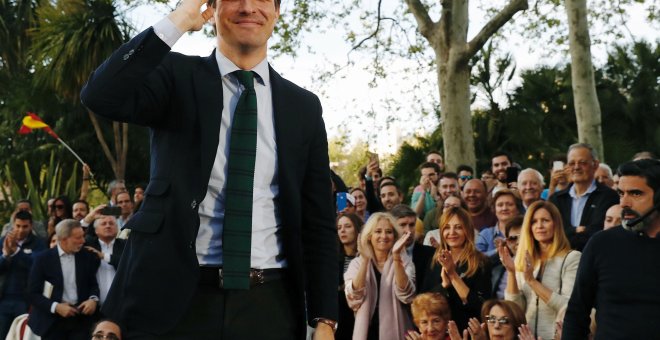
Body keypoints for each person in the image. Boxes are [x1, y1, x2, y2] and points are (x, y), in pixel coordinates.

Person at [80, 0, 338, 338]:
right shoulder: (175, 76)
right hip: (172, 302)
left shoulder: (302, 107)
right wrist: (179, 20)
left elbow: (317, 220)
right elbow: (101, 95)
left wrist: (324, 319)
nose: (248, 7)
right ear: (211, 8)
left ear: (277, 12)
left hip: (269, 305)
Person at [563, 159, 660, 339]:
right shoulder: (601, 244)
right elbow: (576, 313)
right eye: (621, 193)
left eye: (636, 193)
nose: (624, 203)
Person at [499, 201, 580, 340]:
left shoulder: (572, 258)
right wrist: (512, 273)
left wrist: (531, 281)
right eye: (534, 222)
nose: (539, 226)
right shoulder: (523, 258)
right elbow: (516, 310)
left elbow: (568, 307)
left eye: (545, 220)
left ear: (556, 224)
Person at [344, 213, 415, 340]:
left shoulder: (405, 261)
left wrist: (396, 257)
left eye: (388, 232)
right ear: (369, 236)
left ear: (394, 237)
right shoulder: (357, 263)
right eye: (378, 231)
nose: (383, 236)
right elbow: (354, 296)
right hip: (367, 332)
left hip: (398, 332)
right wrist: (365, 259)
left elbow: (406, 295)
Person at [27, 219, 100, 340]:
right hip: (52, 322)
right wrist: (56, 307)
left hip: (81, 320)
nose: (83, 241)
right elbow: (32, 293)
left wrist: (93, 299)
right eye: (78, 238)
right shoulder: (43, 259)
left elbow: (93, 284)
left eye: (83, 236)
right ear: (64, 239)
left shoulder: (87, 256)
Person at [421, 207, 491, 331]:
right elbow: (424, 303)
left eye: (458, 227)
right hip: (439, 333)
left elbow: (481, 307)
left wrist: (453, 276)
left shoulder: (480, 262)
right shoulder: (434, 260)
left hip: (467, 331)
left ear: (467, 230)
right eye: (447, 227)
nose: (452, 232)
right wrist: (444, 286)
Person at [549, 143, 619, 250]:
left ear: (595, 165)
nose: (576, 167)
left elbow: (598, 231)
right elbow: (552, 232)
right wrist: (578, 230)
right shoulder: (556, 199)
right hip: (563, 260)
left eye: (582, 163)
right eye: (572, 163)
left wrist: (569, 231)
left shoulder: (609, 196)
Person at [0, 211, 47, 339]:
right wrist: (5, 255)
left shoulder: (39, 244)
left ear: (31, 226)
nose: (21, 230)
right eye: (18, 226)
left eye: (25, 226)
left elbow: (36, 266)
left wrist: (16, 252)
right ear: (13, 225)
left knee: (22, 336)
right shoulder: (3, 241)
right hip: (4, 299)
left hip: (26, 300)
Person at [84, 215, 126, 307]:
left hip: (121, 305)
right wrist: (89, 217)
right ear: (96, 230)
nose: (108, 226)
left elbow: (127, 264)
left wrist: (104, 256)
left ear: (117, 228)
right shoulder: (88, 243)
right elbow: (75, 234)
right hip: (93, 305)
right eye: (103, 224)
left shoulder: (125, 245)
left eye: (111, 223)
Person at [336, 213, 363, 340]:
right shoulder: (333, 259)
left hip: (362, 316)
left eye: (347, 226)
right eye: (339, 227)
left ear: (357, 229)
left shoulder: (365, 258)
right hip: (340, 319)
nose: (342, 230)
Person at [476, 189, 522, 257]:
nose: (504, 208)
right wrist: (498, 250)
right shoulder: (485, 234)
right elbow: (477, 258)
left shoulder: (526, 231)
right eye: (500, 205)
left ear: (517, 209)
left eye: (509, 204)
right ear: (494, 210)